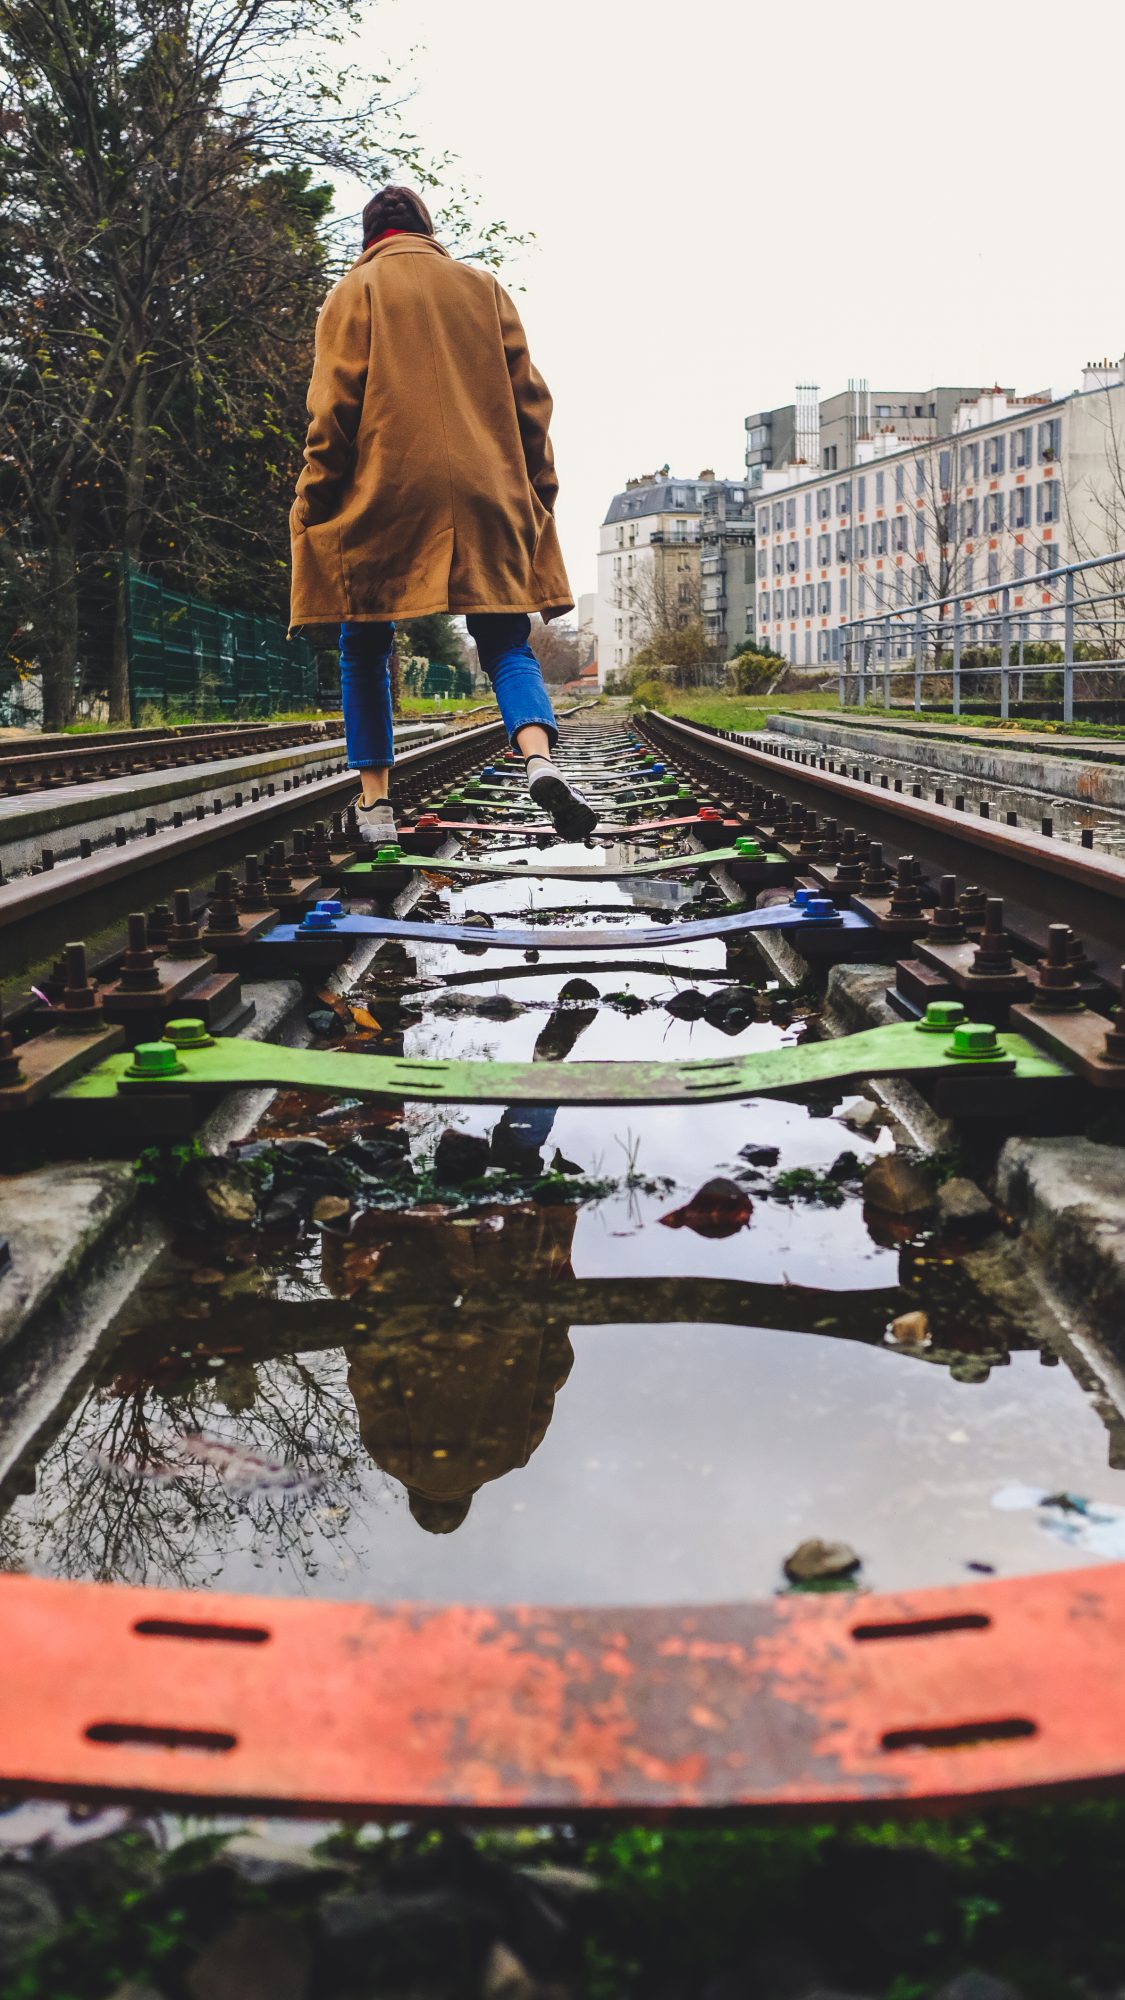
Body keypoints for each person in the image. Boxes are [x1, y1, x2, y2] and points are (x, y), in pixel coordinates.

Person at [289, 184, 596, 843]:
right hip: (488, 487)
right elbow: (531, 406)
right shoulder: (483, 289)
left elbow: (331, 414)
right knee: (505, 640)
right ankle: (538, 757)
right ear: (428, 232)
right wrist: (536, 491)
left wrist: (314, 502)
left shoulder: (352, 293)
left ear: (368, 240)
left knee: (363, 641)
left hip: (385, 488)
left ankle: (375, 804)